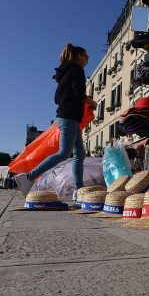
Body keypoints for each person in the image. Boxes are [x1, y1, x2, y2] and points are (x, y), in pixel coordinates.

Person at [15, 44, 97, 198]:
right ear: (79, 56)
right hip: (69, 117)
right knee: (64, 153)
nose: (88, 60)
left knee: (79, 153)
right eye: (86, 57)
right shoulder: (77, 70)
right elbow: (79, 95)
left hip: (68, 117)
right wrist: (92, 102)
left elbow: (57, 98)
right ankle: (28, 177)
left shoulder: (65, 73)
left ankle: (78, 190)